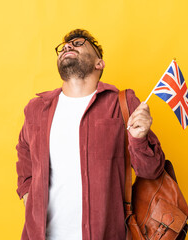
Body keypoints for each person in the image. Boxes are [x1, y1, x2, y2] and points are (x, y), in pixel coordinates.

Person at [15, 29, 165, 240]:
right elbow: (24, 153)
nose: (67, 46)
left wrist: (139, 140)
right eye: (63, 46)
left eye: (77, 43)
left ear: (99, 63)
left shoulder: (122, 103)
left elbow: (152, 171)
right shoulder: (36, 108)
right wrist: (28, 193)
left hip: (106, 234)